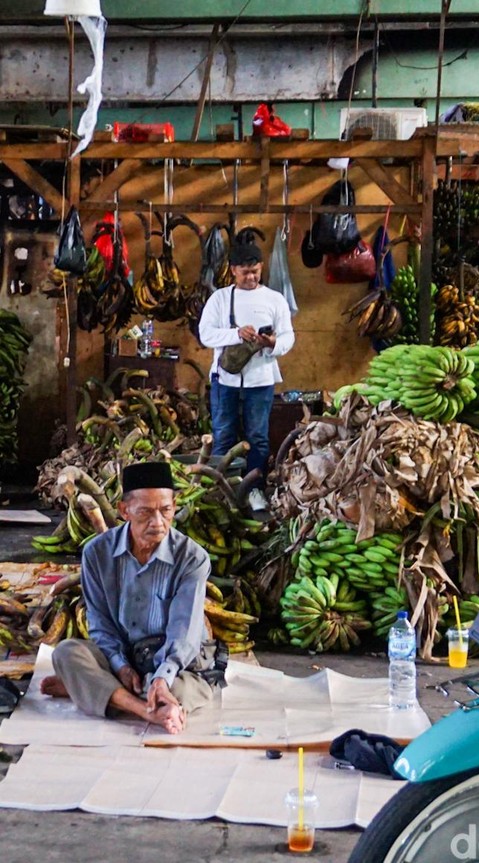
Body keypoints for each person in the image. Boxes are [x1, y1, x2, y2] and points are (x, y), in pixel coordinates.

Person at [40, 461, 220, 735]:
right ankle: (147, 710)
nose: (158, 522)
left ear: (174, 506)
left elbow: (184, 631)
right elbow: (100, 623)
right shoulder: (97, 553)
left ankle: (97, 692)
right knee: (66, 653)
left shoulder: (193, 558)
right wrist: (120, 666)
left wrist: (162, 677)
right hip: (123, 655)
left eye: (165, 511)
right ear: (124, 511)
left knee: (178, 688)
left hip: (172, 660)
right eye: (146, 512)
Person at [198, 229, 295, 513]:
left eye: (255, 272)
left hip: (261, 380)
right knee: (224, 435)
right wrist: (236, 334)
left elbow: (289, 337)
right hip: (225, 380)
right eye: (245, 273)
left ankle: (254, 490)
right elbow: (205, 335)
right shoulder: (219, 299)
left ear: (261, 268)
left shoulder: (275, 300)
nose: (251, 278)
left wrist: (273, 342)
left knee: (258, 437)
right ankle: (221, 491)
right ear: (232, 271)